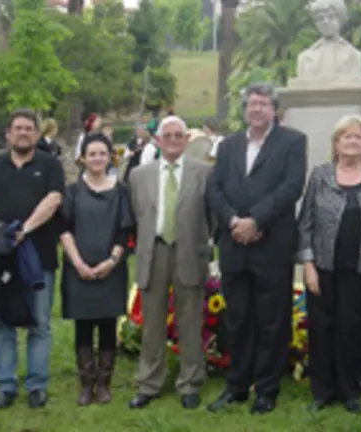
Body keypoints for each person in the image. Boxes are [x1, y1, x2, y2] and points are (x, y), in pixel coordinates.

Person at [206, 83, 307, 415]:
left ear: (274, 109)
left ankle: (266, 389)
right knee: (238, 319)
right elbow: (215, 188)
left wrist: (256, 220)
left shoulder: (292, 142)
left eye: (264, 104)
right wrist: (234, 221)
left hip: (271, 246)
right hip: (234, 245)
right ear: (244, 109)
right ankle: (236, 386)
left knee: (271, 321)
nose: (257, 109)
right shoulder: (229, 145)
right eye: (252, 103)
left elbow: (291, 187)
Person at [0, 109, 66, 410]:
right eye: (18, 128)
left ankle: (36, 385)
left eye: (29, 128)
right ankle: (5, 385)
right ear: (8, 134)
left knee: (39, 324)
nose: (23, 132)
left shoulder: (50, 164)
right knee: (3, 323)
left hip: (39, 257)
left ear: (37, 134)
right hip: (2, 258)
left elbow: (54, 200)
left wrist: (23, 230)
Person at [297, 115, 361, 413]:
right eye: (345, 137)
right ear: (335, 144)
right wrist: (308, 264)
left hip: (360, 267)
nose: (351, 141)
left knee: (352, 328)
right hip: (323, 266)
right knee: (321, 328)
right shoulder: (320, 175)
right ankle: (322, 391)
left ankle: (350, 391)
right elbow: (305, 224)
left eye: (357, 137)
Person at [127, 116, 214, 411]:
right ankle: (149, 383)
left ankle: (190, 382)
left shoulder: (204, 173)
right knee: (152, 322)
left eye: (179, 135)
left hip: (189, 251)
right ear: (158, 140)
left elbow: (212, 216)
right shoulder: (139, 175)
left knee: (190, 321)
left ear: (187, 140)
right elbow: (135, 215)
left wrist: (207, 248)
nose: (174, 140)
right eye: (169, 135)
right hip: (154, 252)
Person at [59, 133, 133, 406]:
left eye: (102, 153)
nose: (97, 158)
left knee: (106, 324)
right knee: (83, 324)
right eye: (92, 154)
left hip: (110, 268)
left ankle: (104, 383)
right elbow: (64, 229)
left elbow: (125, 231)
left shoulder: (121, 191)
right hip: (77, 266)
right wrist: (78, 263)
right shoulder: (72, 191)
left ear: (110, 156)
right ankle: (86, 383)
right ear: (83, 158)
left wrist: (111, 262)